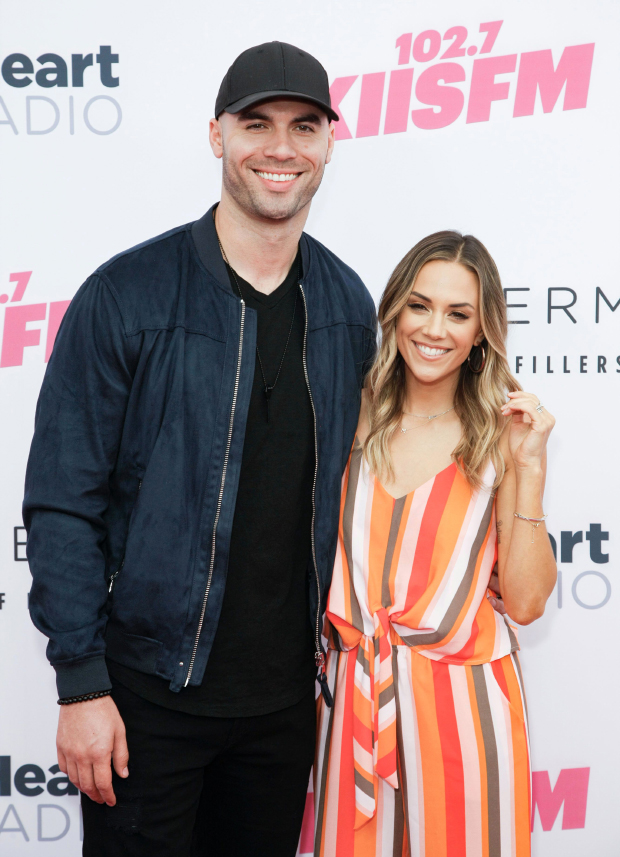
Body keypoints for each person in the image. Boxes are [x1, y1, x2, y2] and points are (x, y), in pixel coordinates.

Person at [22, 42, 378, 857]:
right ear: (216, 135)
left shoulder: (347, 305)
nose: (280, 148)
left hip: (287, 709)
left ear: (329, 142)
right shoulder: (126, 295)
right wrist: (81, 683)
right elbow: (61, 501)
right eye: (256, 123)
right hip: (148, 702)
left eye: (304, 126)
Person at [313, 231, 557, 856]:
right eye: (420, 305)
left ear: (482, 332)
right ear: (393, 310)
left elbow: (526, 603)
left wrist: (529, 470)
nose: (435, 329)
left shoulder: (501, 435)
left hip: (466, 714)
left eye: (459, 314)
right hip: (355, 703)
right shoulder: (346, 412)